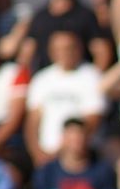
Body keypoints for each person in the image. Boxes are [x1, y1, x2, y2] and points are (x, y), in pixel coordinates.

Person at [24, 31, 105, 166]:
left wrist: (63, 149)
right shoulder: (41, 79)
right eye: (59, 49)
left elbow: (93, 119)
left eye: (69, 48)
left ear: (79, 49)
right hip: (46, 156)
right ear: (51, 52)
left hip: (81, 157)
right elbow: (32, 121)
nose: (65, 53)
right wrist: (36, 153)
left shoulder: (92, 76)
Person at [21, 0, 112, 72]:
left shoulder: (85, 15)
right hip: (48, 82)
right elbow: (26, 55)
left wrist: (91, 82)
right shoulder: (39, 18)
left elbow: (102, 52)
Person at [33, 119, 118, 189]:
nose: (76, 143)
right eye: (72, 139)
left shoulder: (102, 170)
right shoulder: (47, 171)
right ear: (63, 139)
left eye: (79, 138)